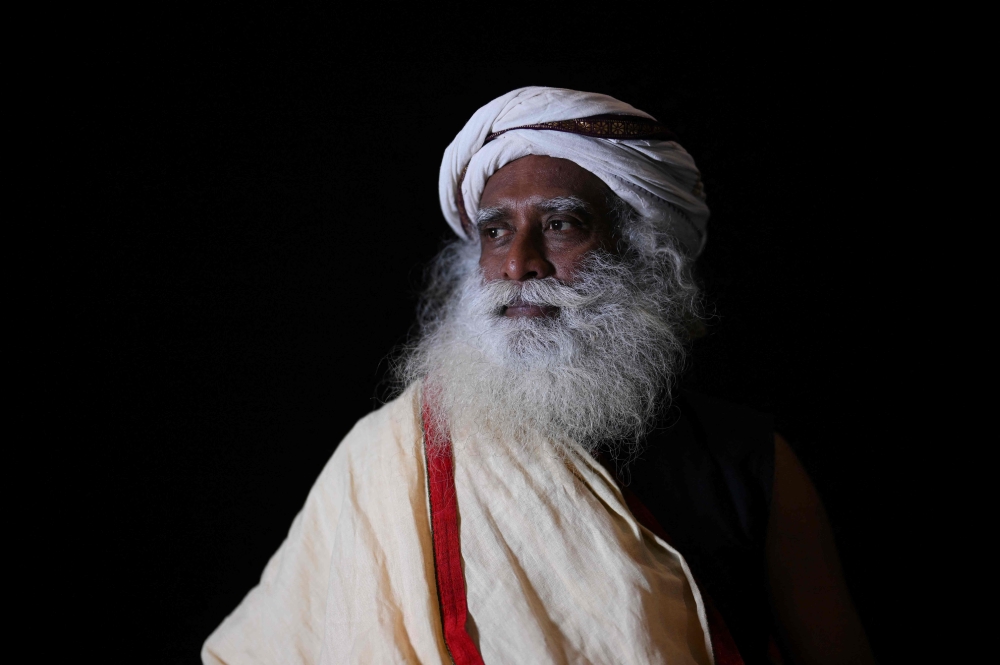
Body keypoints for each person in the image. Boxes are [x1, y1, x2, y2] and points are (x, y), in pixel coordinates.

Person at [202, 87, 876, 665]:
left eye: (559, 224)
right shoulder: (384, 458)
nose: (519, 263)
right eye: (496, 232)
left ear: (640, 249)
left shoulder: (749, 461)